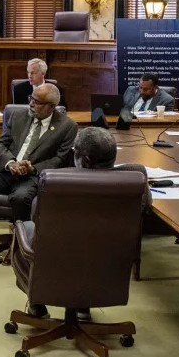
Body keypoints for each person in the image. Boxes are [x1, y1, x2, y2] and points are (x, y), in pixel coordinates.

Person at [0, 84, 77, 266]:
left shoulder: (67, 127)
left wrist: (32, 168)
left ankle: (19, 248)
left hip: (32, 175)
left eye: (37, 102)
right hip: (6, 169)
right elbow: (0, 145)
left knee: (20, 198)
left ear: (51, 107)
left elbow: (59, 160)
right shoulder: (18, 115)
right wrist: (11, 162)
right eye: (31, 99)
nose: (31, 104)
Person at [23, 126, 115, 320]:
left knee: (26, 229)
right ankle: (83, 305)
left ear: (85, 160)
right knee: (91, 250)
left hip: (58, 260)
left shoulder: (57, 183)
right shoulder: (135, 177)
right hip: (110, 260)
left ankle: (37, 303)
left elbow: (36, 216)